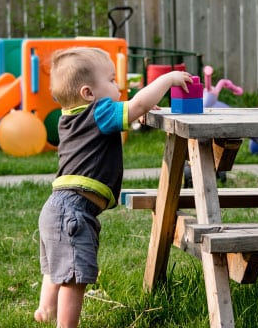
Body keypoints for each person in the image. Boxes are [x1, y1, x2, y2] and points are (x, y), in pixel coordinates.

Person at [33, 47, 192, 327]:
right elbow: (138, 105)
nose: (117, 86)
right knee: (74, 277)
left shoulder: (70, 116)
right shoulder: (98, 112)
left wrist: (134, 113)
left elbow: (131, 112)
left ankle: (46, 308)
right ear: (88, 93)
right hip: (74, 210)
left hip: (56, 207)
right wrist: (167, 80)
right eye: (110, 80)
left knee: (59, 266)